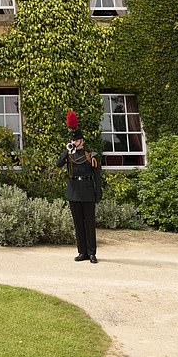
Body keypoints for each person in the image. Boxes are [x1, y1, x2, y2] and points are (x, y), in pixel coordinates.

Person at [56, 112, 103, 264]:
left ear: (82, 141)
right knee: (78, 223)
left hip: (87, 191)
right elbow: (58, 164)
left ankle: (91, 253)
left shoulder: (91, 155)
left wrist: (98, 191)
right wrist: (67, 150)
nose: (75, 142)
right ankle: (81, 251)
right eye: (73, 140)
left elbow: (97, 175)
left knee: (89, 223)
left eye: (77, 140)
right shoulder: (69, 155)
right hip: (74, 191)